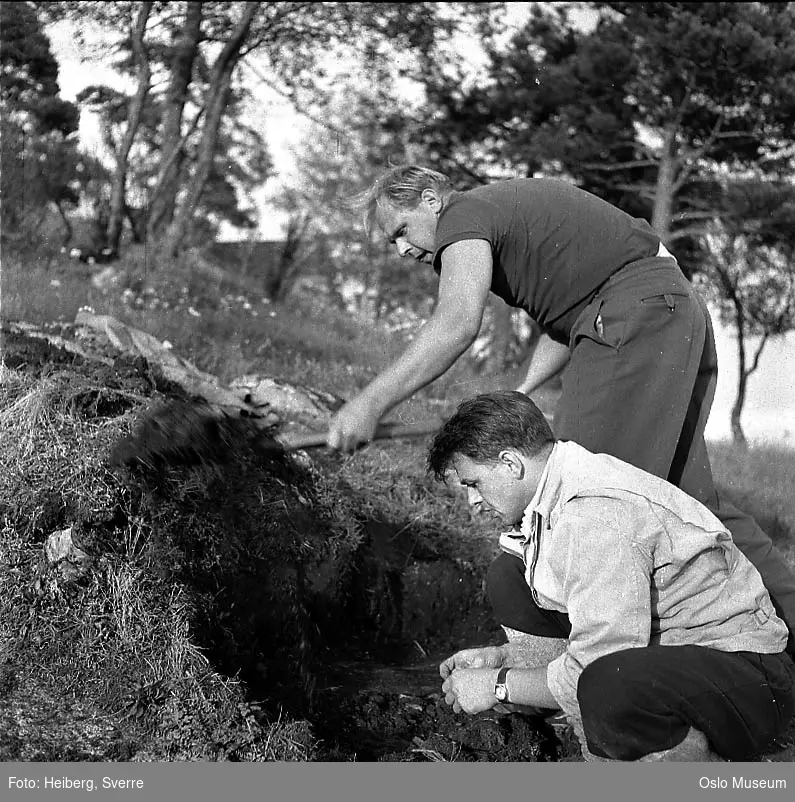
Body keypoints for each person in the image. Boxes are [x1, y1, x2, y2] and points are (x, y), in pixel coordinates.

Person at [325, 165, 795, 648]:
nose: (403, 250)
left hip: (632, 318)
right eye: (391, 243)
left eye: (400, 230)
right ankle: (787, 623)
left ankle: (589, 658)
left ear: (431, 199)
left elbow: (457, 323)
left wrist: (368, 404)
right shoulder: (501, 215)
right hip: (665, 309)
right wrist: (524, 389)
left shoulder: (463, 218)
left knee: (584, 491)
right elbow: (565, 317)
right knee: (687, 500)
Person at [426, 390, 795, 762]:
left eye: (473, 484)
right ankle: (577, 716)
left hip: (746, 678)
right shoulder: (556, 487)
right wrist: (507, 660)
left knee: (606, 685)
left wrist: (498, 685)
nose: (473, 501)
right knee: (510, 575)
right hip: (674, 660)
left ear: (510, 463)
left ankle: (699, 773)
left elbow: (596, 665)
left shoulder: (594, 516)